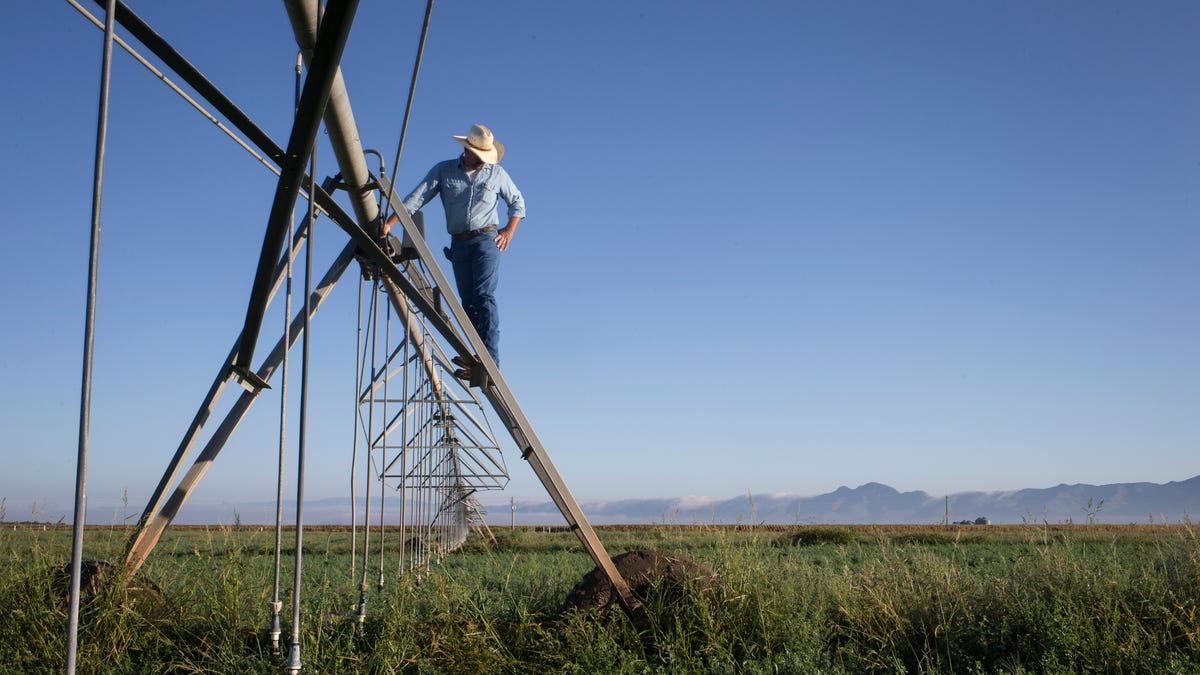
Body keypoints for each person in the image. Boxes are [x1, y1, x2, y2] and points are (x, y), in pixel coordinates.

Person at [383, 124, 525, 367]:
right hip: (459, 244)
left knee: (484, 295)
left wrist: (509, 231)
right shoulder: (444, 171)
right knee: (466, 302)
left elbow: (517, 202)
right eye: (471, 152)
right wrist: (388, 225)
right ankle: (475, 357)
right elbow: (417, 198)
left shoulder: (496, 173)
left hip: (486, 240)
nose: (474, 157)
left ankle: (490, 359)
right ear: (465, 149)